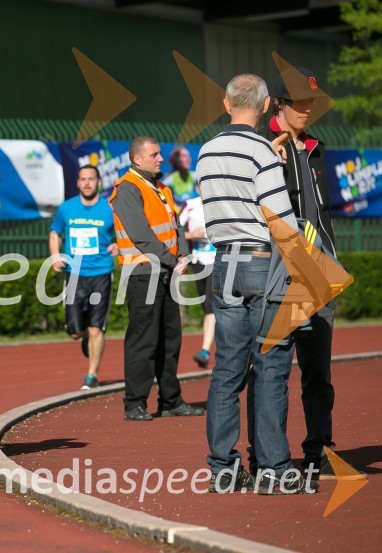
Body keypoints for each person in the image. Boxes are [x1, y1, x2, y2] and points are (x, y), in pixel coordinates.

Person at [198, 73, 311, 494]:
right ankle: (274, 469)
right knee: (271, 367)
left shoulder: (206, 151)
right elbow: (280, 220)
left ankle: (223, 467)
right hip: (263, 262)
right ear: (266, 107)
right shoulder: (262, 150)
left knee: (227, 369)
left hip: (224, 262)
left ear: (227, 104)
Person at [255, 66, 337, 479]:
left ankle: (318, 448)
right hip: (279, 274)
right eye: (300, 102)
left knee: (318, 371)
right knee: (270, 371)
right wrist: (269, 157)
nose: (308, 109)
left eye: (312, 102)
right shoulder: (260, 146)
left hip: (320, 273)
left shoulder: (317, 148)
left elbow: (324, 213)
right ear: (279, 104)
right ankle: (266, 456)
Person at [109, 136, 205, 421]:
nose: (161, 158)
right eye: (154, 154)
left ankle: (171, 400)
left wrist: (183, 253)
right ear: (137, 159)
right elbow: (141, 235)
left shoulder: (161, 188)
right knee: (144, 340)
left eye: (160, 153)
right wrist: (174, 260)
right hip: (142, 274)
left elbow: (176, 227)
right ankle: (134, 403)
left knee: (170, 339)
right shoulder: (127, 188)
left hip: (165, 272)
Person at [49, 165, 118, 390]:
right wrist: (55, 255)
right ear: (78, 183)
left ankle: (92, 375)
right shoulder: (66, 208)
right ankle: (86, 337)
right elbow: (54, 232)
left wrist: (118, 244)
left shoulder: (110, 208)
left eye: (91, 179)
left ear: (98, 182)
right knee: (76, 332)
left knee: (97, 328)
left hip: (101, 273)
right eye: (83, 179)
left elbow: (124, 232)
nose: (87, 183)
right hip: (74, 275)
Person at [178, 187, 216, 368]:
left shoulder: (221, 203)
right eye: (202, 184)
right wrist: (192, 235)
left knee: (210, 306)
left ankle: (205, 351)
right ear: (197, 188)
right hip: (199, 261)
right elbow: (174, 230)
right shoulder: (190, 205)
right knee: (206, 307)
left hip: (219, 260)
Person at [162, 145, 198, 211]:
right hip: (178, 215)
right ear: (176, 160)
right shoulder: (169, 180)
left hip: (192, 213)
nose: (188, 159)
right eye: (184, 156)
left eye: (189, 156)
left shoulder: (194, 176)